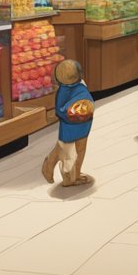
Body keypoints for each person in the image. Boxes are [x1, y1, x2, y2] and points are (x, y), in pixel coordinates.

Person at [42, 59, 94, 187]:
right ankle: (69, 178)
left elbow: (61, 109)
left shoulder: (64, 89)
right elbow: (65, 110)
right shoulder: (74, 89)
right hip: (78, 124)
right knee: (71, 152)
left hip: (76, 125)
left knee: (66, 149)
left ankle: (67, 172)